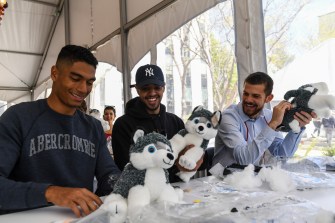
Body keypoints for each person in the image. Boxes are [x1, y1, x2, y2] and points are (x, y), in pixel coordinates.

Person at [0, 45, 121, 217]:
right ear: (55, 73)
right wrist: (51, 193)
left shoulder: (93, 127)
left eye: (89, 82)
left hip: (80, 218)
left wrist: (127, 184)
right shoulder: (18, 117)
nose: (82, 89)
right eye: (75, 78)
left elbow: (109, 174)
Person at [112, 64, 202, 183]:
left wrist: (197, 159)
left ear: (163, 88)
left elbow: (192, 154)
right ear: (138, 90)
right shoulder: (122, 125)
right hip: (142, 194)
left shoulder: (175, 121)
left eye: (157, 87)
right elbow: (126, 167)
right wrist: (173, 162)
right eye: (145, 88)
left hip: (177, 191)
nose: (152, 93)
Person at [212, 72, 315, 169]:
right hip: (222, 182)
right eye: (246, 94)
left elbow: (281, 154)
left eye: (255, 96)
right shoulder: (228, 117)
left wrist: (296, 128)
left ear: (268, 98)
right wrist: (273, 124)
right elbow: (243, 159)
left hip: (249, 180)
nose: (248, 100)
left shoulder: (268, 116)